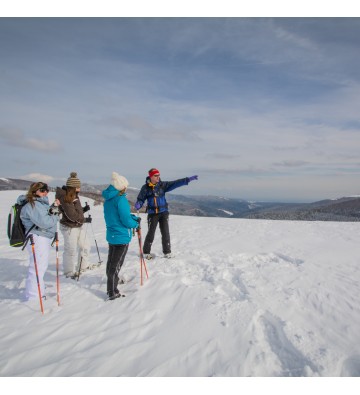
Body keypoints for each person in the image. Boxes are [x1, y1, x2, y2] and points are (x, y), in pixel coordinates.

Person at [134, 168, 198, 259]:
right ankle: (146, 252)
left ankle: (167, 252)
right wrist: (139, 203)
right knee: (151, 233)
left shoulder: (162, 185)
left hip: (163, 213)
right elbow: (141, 198)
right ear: (151, 176)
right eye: (156, 175)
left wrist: (187, 180)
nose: (158, 177)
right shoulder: (145, 188)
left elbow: (175, 183)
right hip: (153, 214)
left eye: (159, 175)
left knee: (165, 233)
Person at [18, 182, 60, 301]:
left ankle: (38, 290)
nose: (45, 192)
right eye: (42, 190)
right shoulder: (33, 204)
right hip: (37, 237)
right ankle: (33, 296)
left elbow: (44, 215)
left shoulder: (38, 203)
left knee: (40, 265)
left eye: (46, 190)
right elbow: (45, 222)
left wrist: (53, 207)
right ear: (34, 191)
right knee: (37, 266)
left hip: (41, 236)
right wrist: (56, 215)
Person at [102, 172, 140, 300]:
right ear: (121, 187)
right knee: (116, 264)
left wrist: (132, 218)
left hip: (112, 235)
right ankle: (112, 291)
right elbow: (125, 220)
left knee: (111, 262)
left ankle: (112, 285)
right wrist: (135, 223)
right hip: (122, 236)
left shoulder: (108, 200)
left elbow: (116, 217)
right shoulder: (121, 200)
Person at [55, 172, 92, 278]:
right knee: (70, 250)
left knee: (85, 245)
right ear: (73, 187)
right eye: (78, 187)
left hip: (77, 225)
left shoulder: (74, 195)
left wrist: (83, 210)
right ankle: (69, 272)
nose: (79, 189)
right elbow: (71, 215)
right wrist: (84, 219)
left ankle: (83, 266)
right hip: (69, 227)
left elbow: (75, 212)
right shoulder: (65, 197)